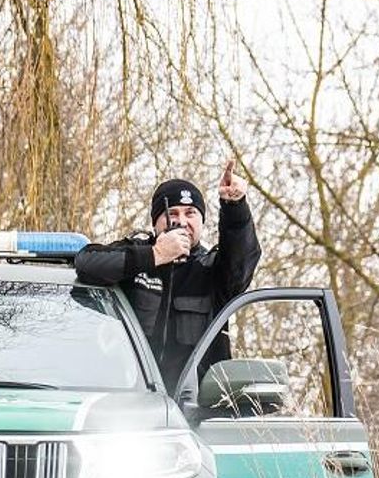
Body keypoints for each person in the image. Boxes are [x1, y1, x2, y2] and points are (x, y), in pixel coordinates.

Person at [74, 160, 260, 390]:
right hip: (130, 398)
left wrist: (235, 207)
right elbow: (86, 263)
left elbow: (242, 261)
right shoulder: (136, 254)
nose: (181, 221)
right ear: (156, 223)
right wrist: (155, 255)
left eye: (190, 213)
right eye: (172, 213)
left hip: (195, 404)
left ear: (201, 221)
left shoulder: (213, 268)